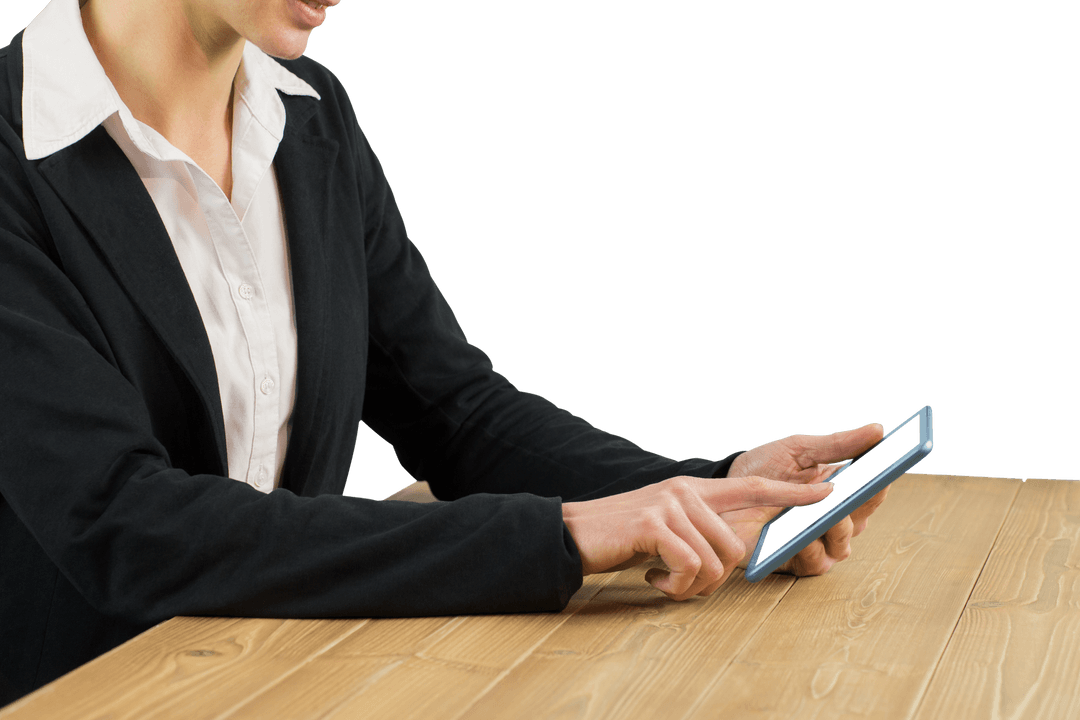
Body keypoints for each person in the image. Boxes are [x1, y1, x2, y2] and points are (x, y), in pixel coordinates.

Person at [0, 0, 889, 705]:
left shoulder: (313, 122)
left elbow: (455, 411)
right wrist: (560, 537)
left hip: (276, 685)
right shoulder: (15, 156)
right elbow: (121, 525)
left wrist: (710, 486)